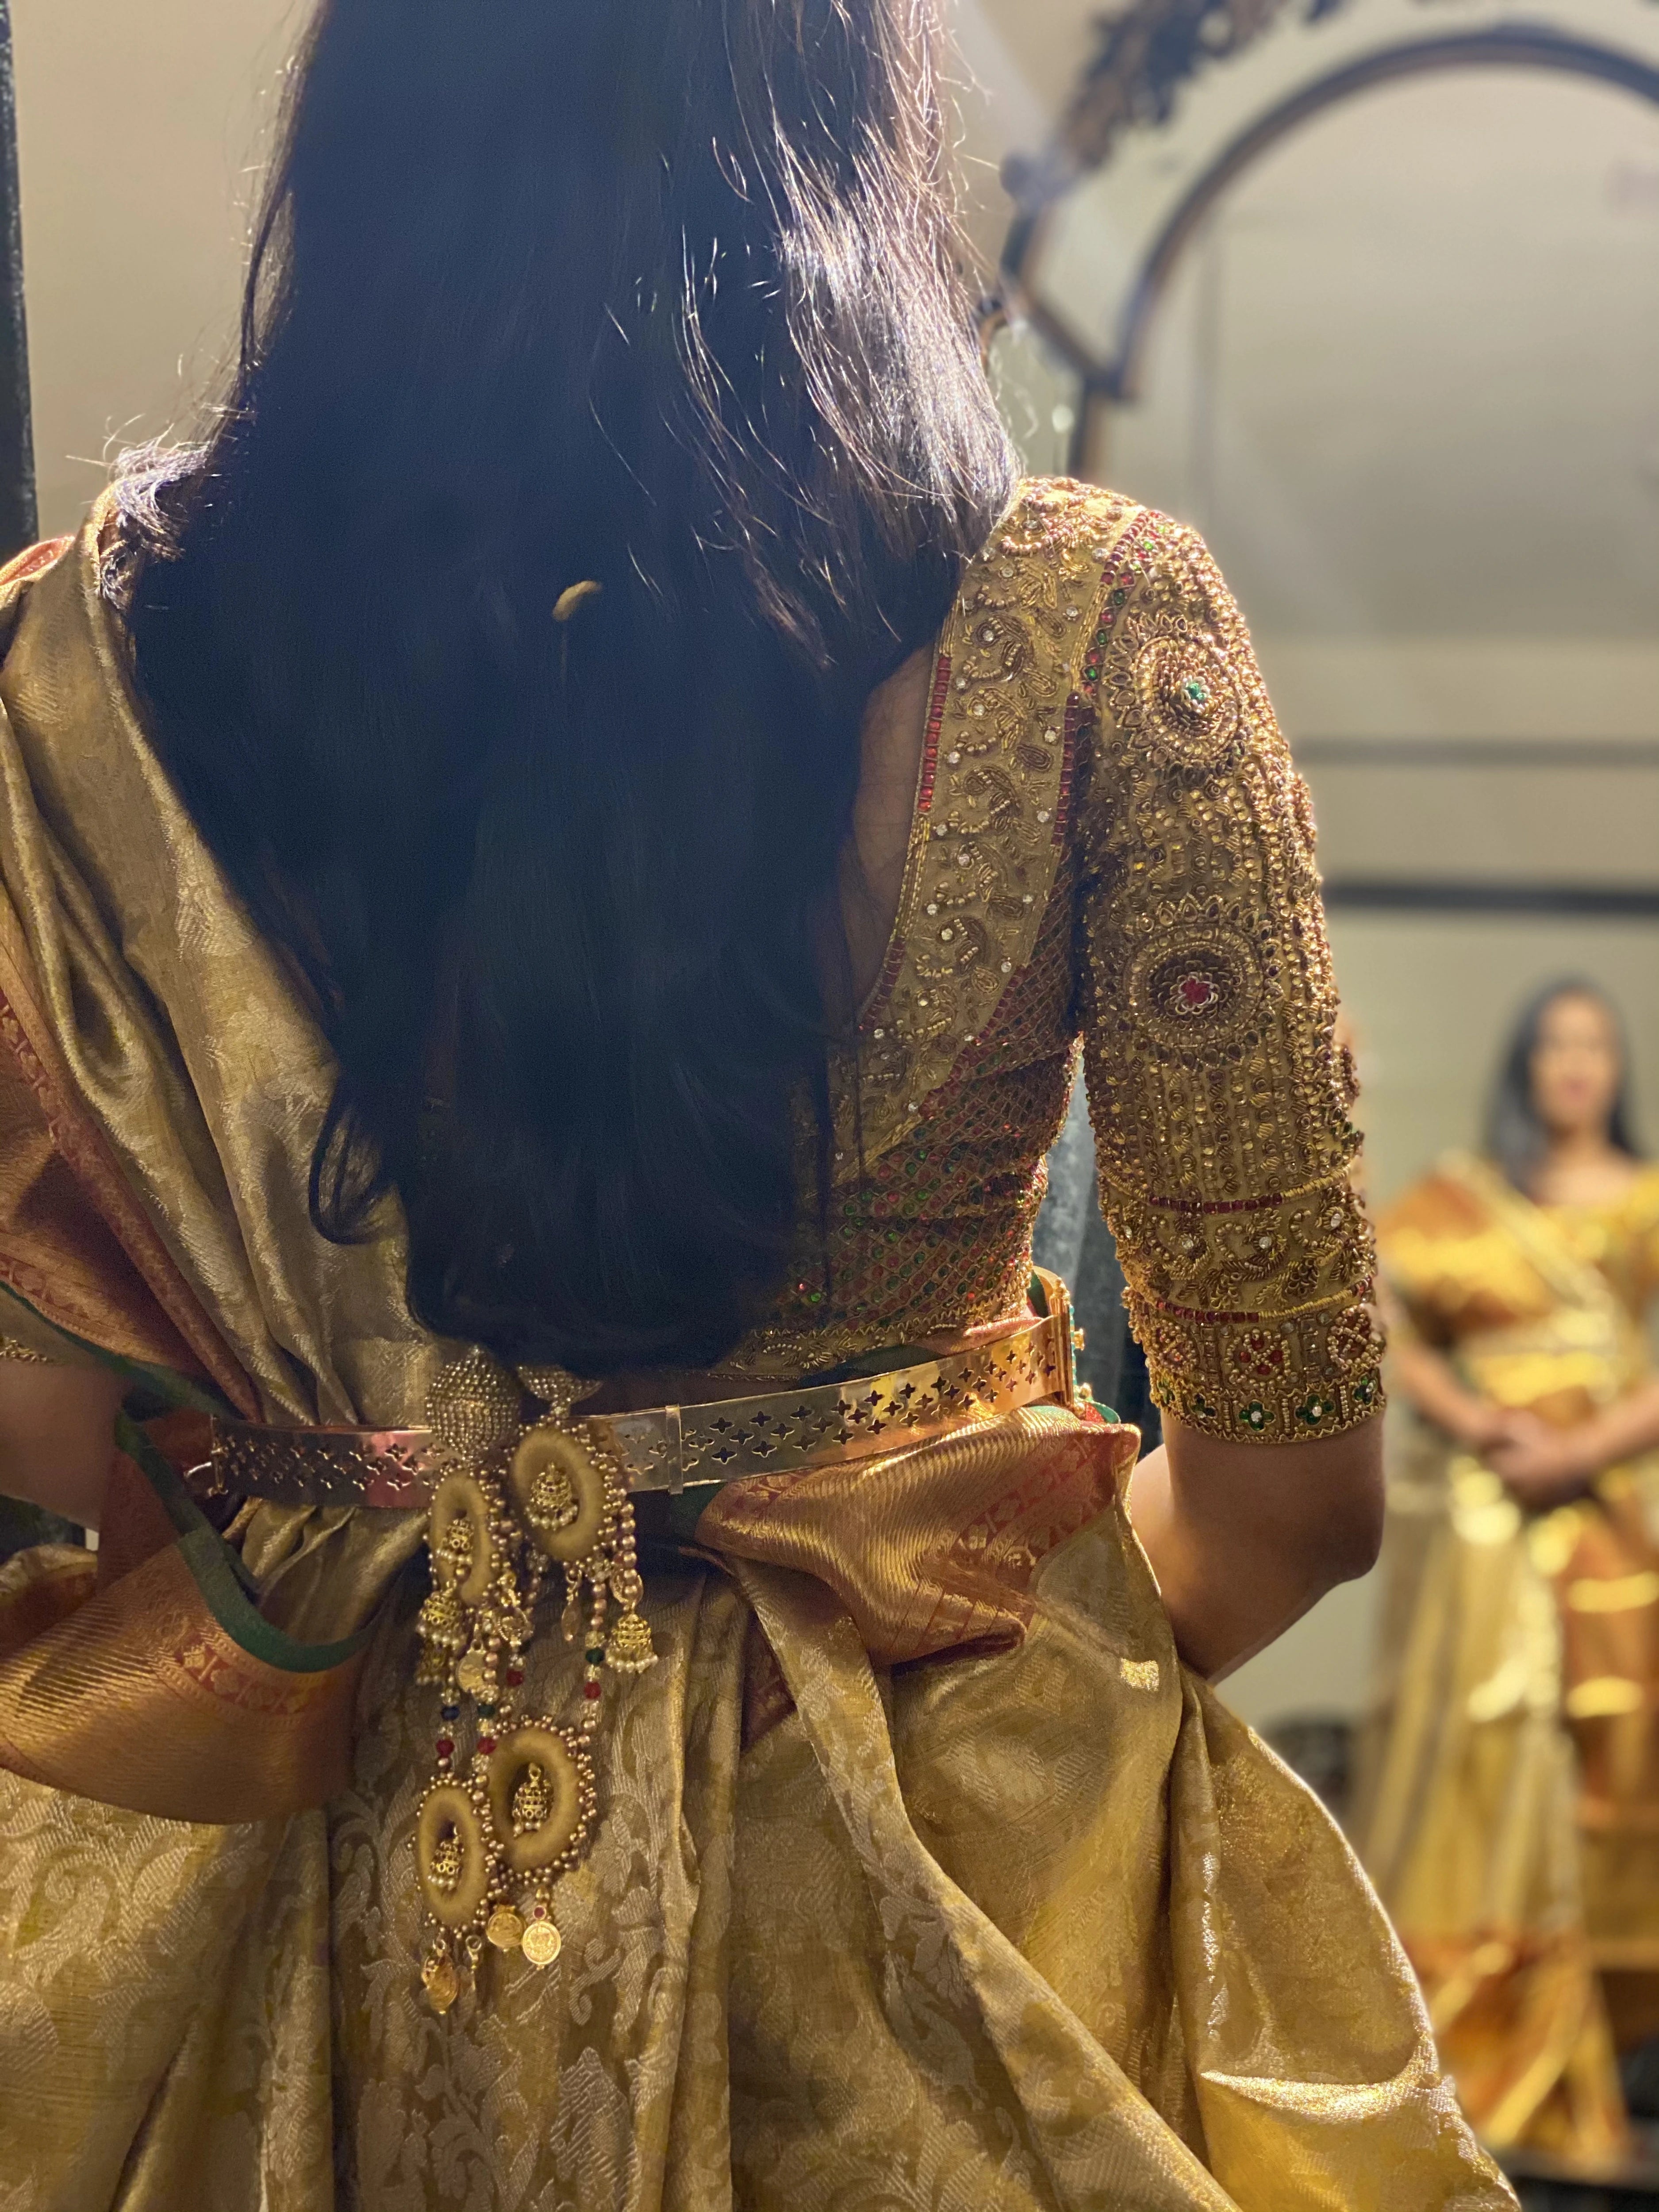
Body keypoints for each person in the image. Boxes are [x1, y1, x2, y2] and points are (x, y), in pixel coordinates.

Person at [0, 2, 1510, 2204]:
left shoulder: (63, 688)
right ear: (834, 120)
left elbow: (41, 1448)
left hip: (283, 1893)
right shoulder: (1097, 630)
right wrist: (968, 1644)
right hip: (929, 1921)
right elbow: (1290, 1502)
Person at [1358, 979, 1659, 2171]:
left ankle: (1588, 2042)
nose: (1576, 1065)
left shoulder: (1644, 1199)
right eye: (1555, 1045)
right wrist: (1483, 1429)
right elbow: (1388, 1321)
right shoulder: (1458, 1199)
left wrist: (1582, 1449)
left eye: (1595, 1046)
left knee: (1608, 1755)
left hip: (1604, 1527)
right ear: (1526, 1065)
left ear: (1618, 1067)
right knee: (1474, 1753)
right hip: (1479, 1528)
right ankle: (1462, 2060)